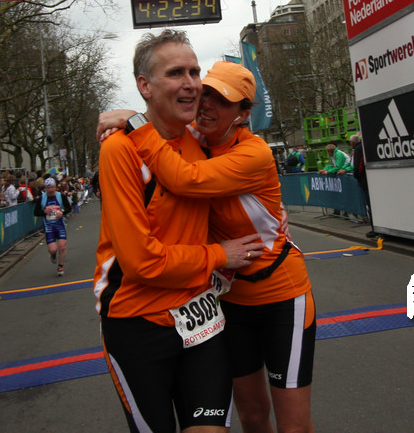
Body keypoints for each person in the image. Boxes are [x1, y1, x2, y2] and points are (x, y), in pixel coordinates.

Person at [100, 61, 316, 433]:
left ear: (242, 114)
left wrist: (136, 123)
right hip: (227, 299)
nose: (208, 105)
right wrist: (130, 121)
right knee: (252, 416)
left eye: (223, 101)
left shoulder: (254, 152)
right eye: (207, 93)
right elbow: (159, 133)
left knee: (293, 426)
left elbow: (185, 179)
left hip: (281, 297)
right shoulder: (190, 140)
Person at [94, 30, 264, 433]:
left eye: (194, 72)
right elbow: (141, 262)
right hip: (138, 322)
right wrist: (220, 255)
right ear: (145, 86)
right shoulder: (119, 149)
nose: (191, 84)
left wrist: (273, 219)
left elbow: (241, 190)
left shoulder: (199, 141)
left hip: (201, 318)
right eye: (175, 73)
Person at [34, 177, 69, 277]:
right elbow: (36, 212)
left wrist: (62, 212)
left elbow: (68, 208)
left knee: (62, 246)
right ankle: (53, 255)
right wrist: (44, 211)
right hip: (49, 226)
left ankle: (60, 266)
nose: (50, 190)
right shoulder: (42, 198)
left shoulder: (61, 196)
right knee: (53, 249)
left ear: (55, 188)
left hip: (60, 225)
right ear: (45, 189)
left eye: (52, 187)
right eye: (48, 188)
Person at [350, 133, 374, 234]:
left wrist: (356, 175)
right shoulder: (364, 147)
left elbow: (358, 166)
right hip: (369, 179)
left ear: (352, 142)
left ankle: (374, 228)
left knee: (369, 204)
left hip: (364, 180)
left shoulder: (358, 150)